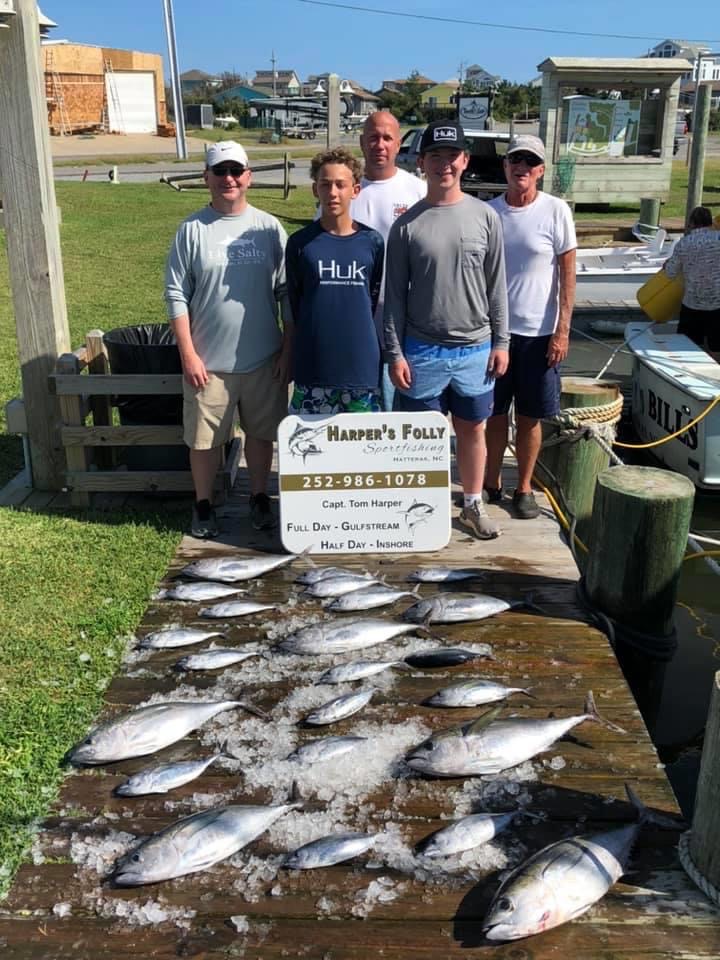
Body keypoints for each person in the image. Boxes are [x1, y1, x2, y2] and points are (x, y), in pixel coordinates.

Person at [384, 120, 509, 541]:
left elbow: (497, 286)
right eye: (435, 157)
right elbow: (394, 298)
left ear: (465, 160)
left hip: (476, 349)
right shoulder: (406, 225)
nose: (444, 165)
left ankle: (472, 501)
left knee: (473, 430)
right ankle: (425, 504)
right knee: (422, 436)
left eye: (452, 156)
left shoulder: (486, 216)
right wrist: (395, 353)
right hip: (422, 349)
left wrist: (502, 341)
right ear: (421, 163)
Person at [165, 140, 292, 538]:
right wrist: (188, 354)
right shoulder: (191, 230)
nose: (229, 179)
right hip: (209, 363)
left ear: (249, 176)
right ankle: (203, 504)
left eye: (236, 170)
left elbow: (286, 293)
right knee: (204, 441)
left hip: (262, 358)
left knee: (260, 433)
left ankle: (257, 496)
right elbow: (175, 294)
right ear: (206, 178)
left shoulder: (269, 228)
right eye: (219, 171)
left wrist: (287, 350)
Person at [485, 134, 576, 519]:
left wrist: (563, 329)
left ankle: (524, 487)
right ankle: (490, 483)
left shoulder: (557, 211)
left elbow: (569, 275)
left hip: (539, 336)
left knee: (530, 417)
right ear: (505, 166)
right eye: (514, 160)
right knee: (491, 414)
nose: (521, 167)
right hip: (493, 336)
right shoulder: (488, 212)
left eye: (529, 161)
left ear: (540, 170)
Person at [286, 147, 385, 414]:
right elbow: (296, 303)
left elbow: (371, 298)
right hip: (313, 368)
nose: (332, 192)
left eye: (340, 185)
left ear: (355, 190)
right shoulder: (300, 243)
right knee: (309, 452)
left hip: (360, 370)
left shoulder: (372, 242)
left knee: (360, 452)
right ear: (314, 189)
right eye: (325, 184)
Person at [351, 111, 427, 410]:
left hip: (409, 323)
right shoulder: (346, 191)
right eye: (373, 137)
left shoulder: (418, 191)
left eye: (387, 138)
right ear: (361, 142)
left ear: (398, 145)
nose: (379, 144)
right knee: (364, 408)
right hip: (358, 322)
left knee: (403, 407)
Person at [664, 205, 720, 359]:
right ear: (710, 222)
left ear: (692, 223)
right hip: (718, 303)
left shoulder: (684, 244)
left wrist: (667, 264)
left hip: (692, 303)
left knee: (688, 346)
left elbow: (670, 273)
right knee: (717, 347)